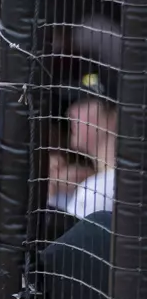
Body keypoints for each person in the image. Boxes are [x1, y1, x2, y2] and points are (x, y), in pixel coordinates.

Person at [64, 69, 117, 219]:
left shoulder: (97, 191)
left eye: (83, 103)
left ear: (115, 115)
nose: (70, 112)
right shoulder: (98, 185)